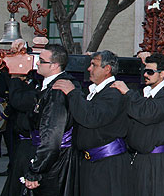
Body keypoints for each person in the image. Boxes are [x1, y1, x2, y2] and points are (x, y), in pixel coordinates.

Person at [53, 50, 130, 196]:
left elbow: (91, 118)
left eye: (94, 65)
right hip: (92, 162)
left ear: (107, 69)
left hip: (107, 164)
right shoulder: (96, 91)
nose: (89, 68)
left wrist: (72, 92)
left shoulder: (113, 93)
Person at [111, 53, 164, 196]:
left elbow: (148, 113)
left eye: (150, 72)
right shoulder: (144, 93)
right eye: (144, 71)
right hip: (140, 158)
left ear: (162, 74)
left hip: (158, 162)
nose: (146, 75)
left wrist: (127, 92)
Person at [24, 44, 79, 196]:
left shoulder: (58, 90)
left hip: (54, 162)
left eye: (41, 60)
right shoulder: (50, 86)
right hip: (50, 157)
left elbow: (52, 134)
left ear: (54, 65)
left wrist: (36, 169)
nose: (37, 63)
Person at [0, 69, 39, 196]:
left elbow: (17, 100)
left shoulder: (37, 87)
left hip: (31, 142)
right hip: (23, 139)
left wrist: (16, 78)